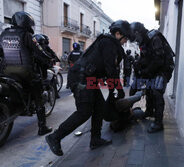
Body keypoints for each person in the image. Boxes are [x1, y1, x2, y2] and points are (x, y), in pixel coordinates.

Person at [45, 20, 131, 156]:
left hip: (92, 78)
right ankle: (55, 137)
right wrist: (119, 91)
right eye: (125, 38)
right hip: (81, 78)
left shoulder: (110, 43)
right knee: (84, 112)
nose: (125, 42)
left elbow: (108, 71)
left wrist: (114, 88)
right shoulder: (109, 43)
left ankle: (95, 139)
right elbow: (111, 71)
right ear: (118, 33)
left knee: (99, 107)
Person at [0, 11, 52, 135]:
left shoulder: (3, 34)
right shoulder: (27, 35)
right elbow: (39, 51)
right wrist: (49, 58)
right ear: (26, 23)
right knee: (38, 94)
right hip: (24, 72)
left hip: (6, 71)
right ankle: (42, 127)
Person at [129, 22, 175, 133]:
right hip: (154, 68)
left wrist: (145, 71)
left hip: (164, 68)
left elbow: (159, 60)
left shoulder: (155, 38)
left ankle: (159, 123)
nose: (136, 41)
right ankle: (149, 111)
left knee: (156, 91)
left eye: (135, 37)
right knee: (149, 89)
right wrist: (138, 65)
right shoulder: (144, 42)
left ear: (138, 32)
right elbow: (145, 57)